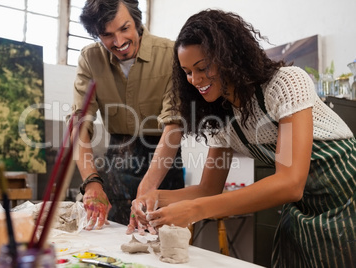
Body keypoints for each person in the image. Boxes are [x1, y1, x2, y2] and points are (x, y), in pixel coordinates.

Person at [131, 9, 356, 267]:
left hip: (347, 200)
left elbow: (290, 182)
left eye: (202, 67)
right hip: (302, 210)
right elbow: (208, 189)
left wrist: (196, 210)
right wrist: (155, 198)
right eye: (187, 72)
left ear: (228, 57)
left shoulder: (285, 84)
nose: (195, 80)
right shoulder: (219, 118)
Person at [69, 0, 184, 232]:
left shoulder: (171, 54)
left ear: (136, 20)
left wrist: (147, 189)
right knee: (113, 240)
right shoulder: (91, 58)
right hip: (117, 161)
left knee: (163, 242)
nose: (119, 42)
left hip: (163, 157)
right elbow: (80, 122)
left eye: (124, 28)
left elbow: (174, 124)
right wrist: (91, 182)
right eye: (107, 35)